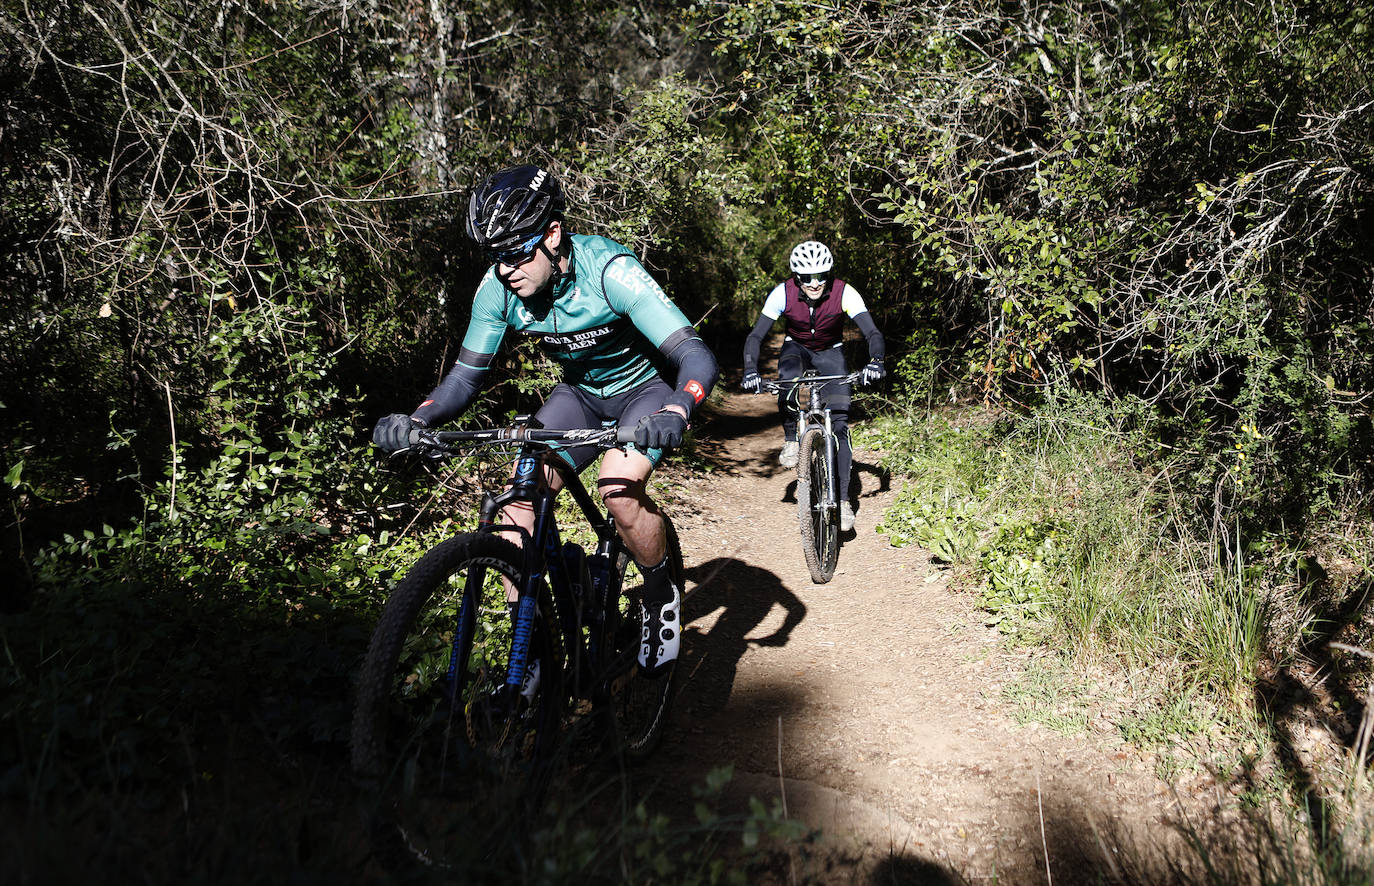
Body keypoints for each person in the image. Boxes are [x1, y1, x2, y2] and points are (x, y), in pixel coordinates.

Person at [373, 164, 718, 676]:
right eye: (495, 257)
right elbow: (464, 380)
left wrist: (677, 407)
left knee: (619, 490)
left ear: (553, 235)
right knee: (519, 502)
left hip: (645, 393)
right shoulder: (498, 289)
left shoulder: (609, 271)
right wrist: (418, 418)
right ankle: (528, 647)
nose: (506, 269)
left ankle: (660, 590)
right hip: (579, 396)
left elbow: (695, 355)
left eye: (515, 253)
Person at [740, 240, 885, 532]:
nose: (815, 283)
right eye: (807, 278)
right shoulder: (782, 293)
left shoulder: (845, 292)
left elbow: (871, 331)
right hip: (797, 348)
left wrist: (876, 361)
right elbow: (756, 336)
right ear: (797, 276)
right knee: (787, 382)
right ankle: (792, 437)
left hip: (831, 350)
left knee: (840, 424)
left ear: (829, 274)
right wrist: (751, 370)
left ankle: (843, 502)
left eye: (821, 276)